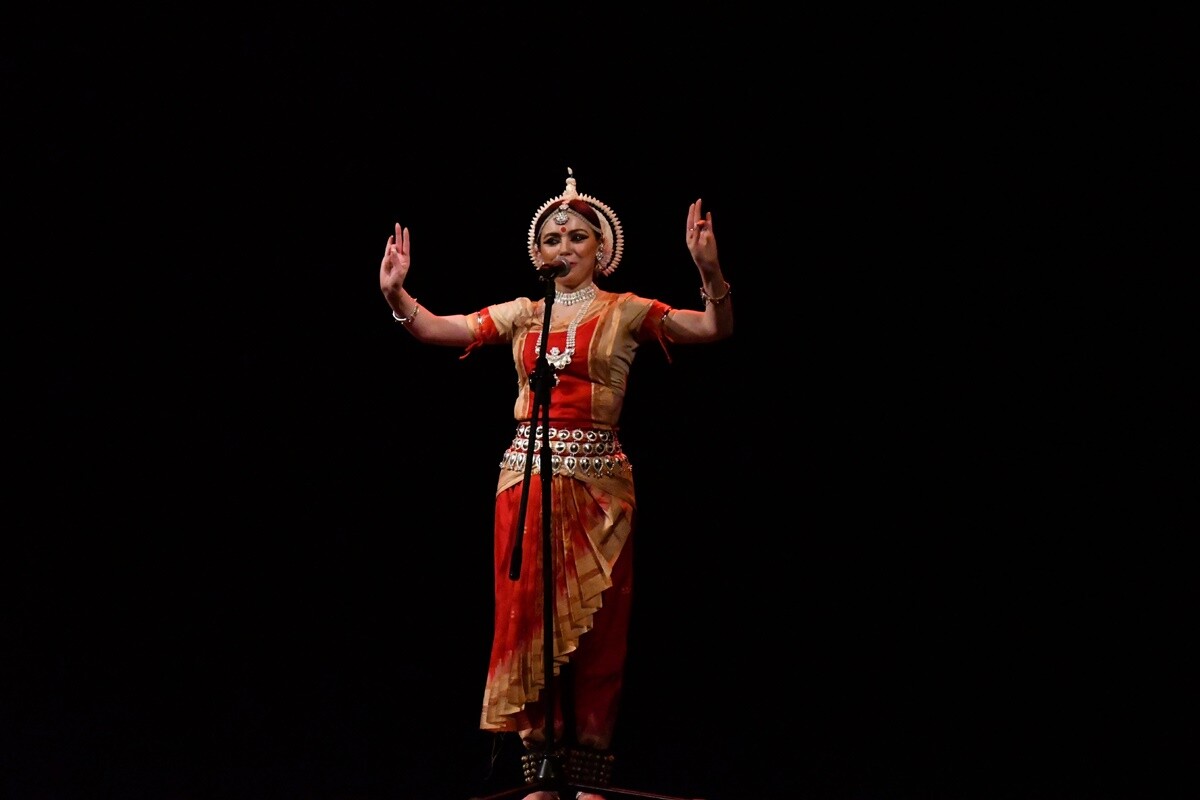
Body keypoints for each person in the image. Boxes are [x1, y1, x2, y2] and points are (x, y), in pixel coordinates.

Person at [378, 168, 733, 800]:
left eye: (575, 237)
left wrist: (710, 273)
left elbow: (712, 329)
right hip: (524, 484)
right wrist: (397, 296)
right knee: (526, 624)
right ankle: (540, 770)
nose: (562, 248)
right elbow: (440, 329)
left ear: (602, 249)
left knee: (597, 627)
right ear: (537, 252)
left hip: (601, 491)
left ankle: (591, 775)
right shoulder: (524, 315)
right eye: (551, 239)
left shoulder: (627, 311)